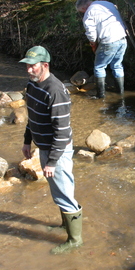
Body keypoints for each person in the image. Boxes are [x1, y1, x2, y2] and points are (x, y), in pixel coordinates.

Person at [18, 46, 83, 254]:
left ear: (45, 66)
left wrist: (52, 161)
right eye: (27, 66)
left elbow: (62, 133)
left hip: (58, 151)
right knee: (58, 192)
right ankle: (65, 225)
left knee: (64, 193)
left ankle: (75, 240)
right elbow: (32, 116)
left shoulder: (55, 91)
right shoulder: (33, 84)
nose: (29, 70)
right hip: (45, 146)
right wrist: (28, 140)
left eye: (33, 66)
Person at [75, 0, 128, 99]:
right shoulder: (107, 3)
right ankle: (120, 94)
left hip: (108, 41)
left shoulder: (89, 12)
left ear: (83, 7)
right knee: (117, 65)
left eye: (82, 11)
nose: (83, 13)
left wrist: (93, 44)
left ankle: (100, 96)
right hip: (122, 38)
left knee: (99, 67)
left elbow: (91, 33)